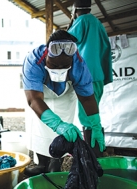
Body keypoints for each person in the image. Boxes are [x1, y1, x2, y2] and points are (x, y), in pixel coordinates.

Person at [22, 30, 105, 177]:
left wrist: (96, 124)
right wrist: (57, 124)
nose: (58, 69)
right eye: (53, 64)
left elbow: (87, 98)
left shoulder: (79, 64)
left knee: (65, 127)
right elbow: (34, 99)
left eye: (64, 65)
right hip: (40, 96)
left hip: (66, 95)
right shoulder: (33, 60)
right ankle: (42, 164)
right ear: (46, 54)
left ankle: (55, 164)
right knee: (39, 127)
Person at [67, 0, 112, 157]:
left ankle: (92, 156)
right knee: (94, 114)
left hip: (85, 75)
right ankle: (98, 151)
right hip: (98, 74)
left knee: (87, 116)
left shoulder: (82, 21)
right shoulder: (98, 23)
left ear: (75, 9)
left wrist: (71, 22)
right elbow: (106, 49)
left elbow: (66, 41)